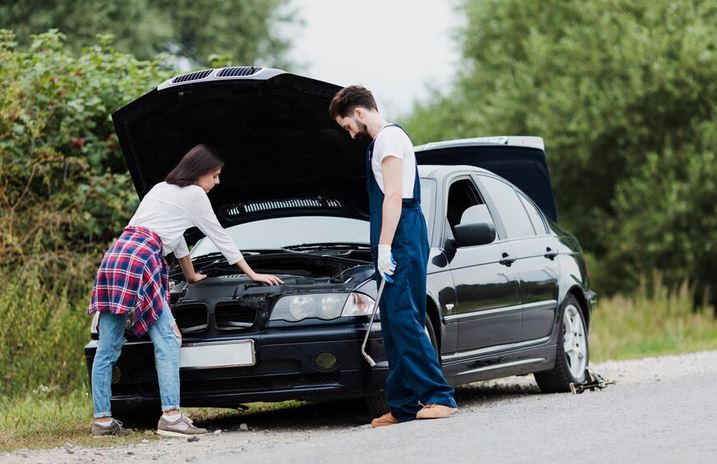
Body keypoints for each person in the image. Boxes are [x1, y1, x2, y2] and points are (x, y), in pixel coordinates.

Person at [88, 144, 283, 437]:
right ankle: (171, 416)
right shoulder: (194, 194)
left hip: (117, 256)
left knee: (108, 347)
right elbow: (218, 234)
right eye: (215, 176)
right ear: (201, 172)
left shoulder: (160, 188)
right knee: (167, 339)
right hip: (143, 258)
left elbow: (173, 235)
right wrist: (252, 273)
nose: (216, 183)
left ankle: (102, 421)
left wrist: (190, 275)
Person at [329, 86, 458, 427]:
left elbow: (394, 196)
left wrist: (385, 247)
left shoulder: (387, 140)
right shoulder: (383, 140)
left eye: (347, 126)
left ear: (358, 113)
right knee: (393, 321)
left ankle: (439, 396)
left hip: (401, 231)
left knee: (404, 318)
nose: (350, 134)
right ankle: (402, 404)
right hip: (398, 231)